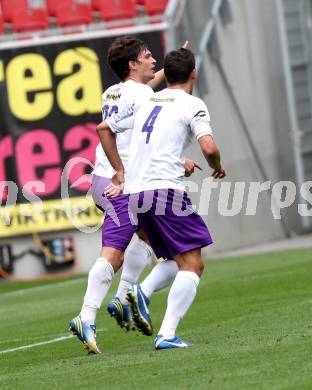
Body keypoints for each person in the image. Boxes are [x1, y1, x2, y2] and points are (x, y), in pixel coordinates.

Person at [69, 36, 195, 354]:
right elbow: (145, 141)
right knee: (114, 254)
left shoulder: (113, 91)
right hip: (120, 184)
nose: (153, 60)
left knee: (148, 244)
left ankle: (124, 298)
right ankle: (90, 314)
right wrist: (124, 171)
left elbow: (143, 91)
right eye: (147, 56)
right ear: (132, 64)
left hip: (102, 180)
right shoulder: (142, 95)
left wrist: (170, 66)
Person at [102, 47, 226, 349]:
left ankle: (142, 297)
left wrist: (119, 170)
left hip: (135, 194)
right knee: (193, 263)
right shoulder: (191, 103)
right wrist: (217, 167)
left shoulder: (147, 101)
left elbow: (104, 128)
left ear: (166, 75)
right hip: (165, 192)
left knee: (175, 258)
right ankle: (163, 328)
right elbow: (208, 147)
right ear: (193, 74)